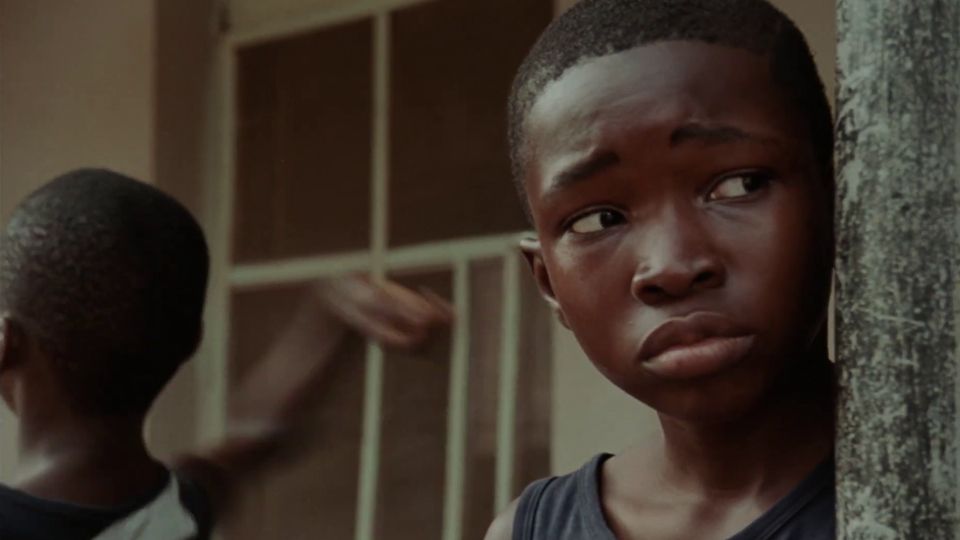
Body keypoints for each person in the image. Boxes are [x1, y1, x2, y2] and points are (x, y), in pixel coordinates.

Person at [486, 0, 836, 538]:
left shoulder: (932, 483)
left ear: (838, 202)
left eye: (737, 186)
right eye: (599, 219)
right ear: (548, 283)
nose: (671, 268)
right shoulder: (532, 531)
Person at [0, 168, 452, 539]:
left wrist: (332, 305)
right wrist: (333, 305)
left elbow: (259, 435)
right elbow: (260, 434)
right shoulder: (176, 511)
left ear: (5, 343)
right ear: (190, 344)